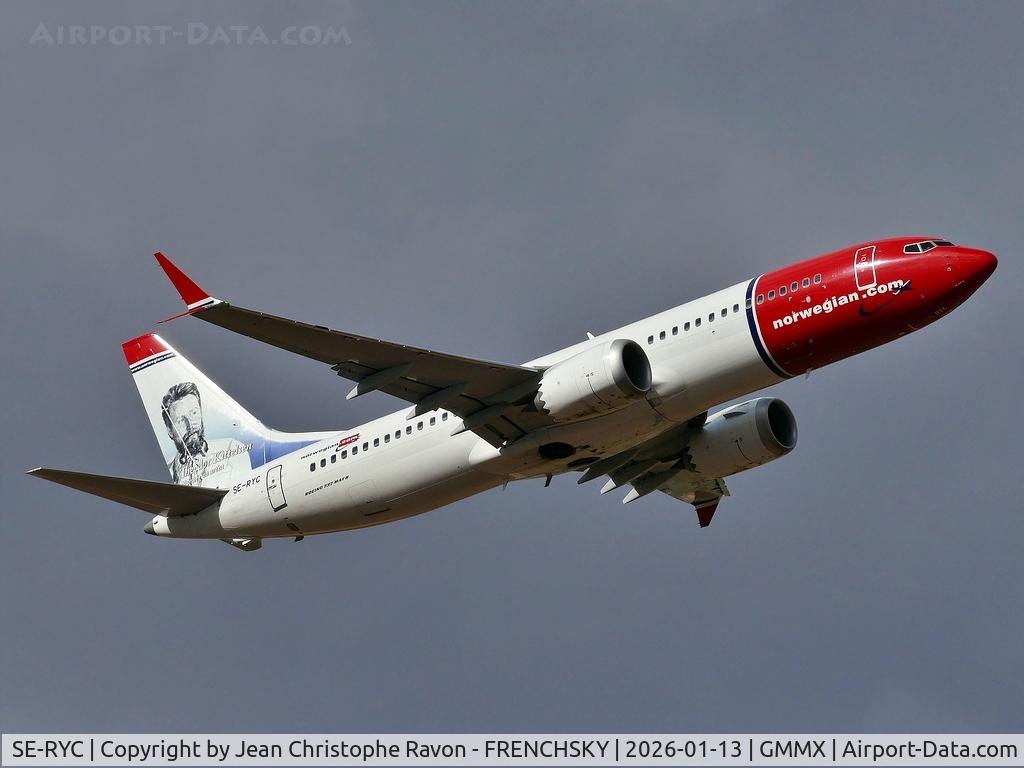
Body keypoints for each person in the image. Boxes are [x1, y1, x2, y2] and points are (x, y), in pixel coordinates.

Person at [161, 382, 251, 486]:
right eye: (181, 420)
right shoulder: (168, 476)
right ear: (169, 430)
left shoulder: (232, 448)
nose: (190, 425)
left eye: (194, 413)